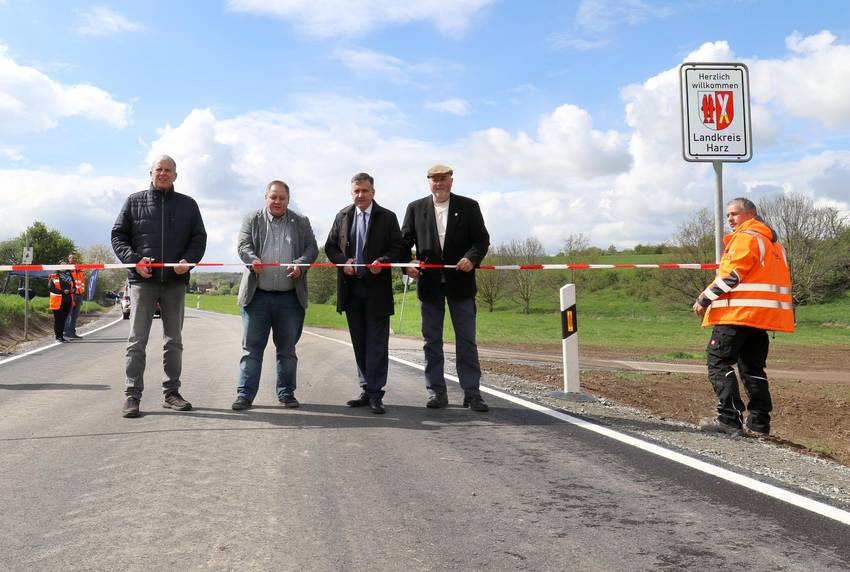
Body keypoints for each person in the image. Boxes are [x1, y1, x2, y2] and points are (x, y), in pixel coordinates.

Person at [111, 155, 207, 418]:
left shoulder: (189, 205)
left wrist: (188, 262)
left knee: (173, 341)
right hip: (143, 282)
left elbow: (199, 239)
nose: (163, 174)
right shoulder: (134, 201)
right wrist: (133, 261)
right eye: (159, 170)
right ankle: (132, 396)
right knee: (136, 341)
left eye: (169, 170)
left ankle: (171, 393)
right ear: (150, 173)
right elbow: (118, 236)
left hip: (175, 283)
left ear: (176, 175)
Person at [693, 197, 794, 436]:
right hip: (762, 318)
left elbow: (732, 275)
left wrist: (704, 299)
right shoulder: (775, 246)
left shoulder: (746, 238)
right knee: (753, 368)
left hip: (737, 314)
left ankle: (729, 419)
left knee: (718, 361)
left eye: (734, 214)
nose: (730, 219)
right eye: (728, 215)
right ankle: (759, 424)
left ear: (750, 214)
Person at [401, 164, 491, 412]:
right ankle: (436, 393)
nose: (439, 184)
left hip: (461, 285)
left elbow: (482, 240)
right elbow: (403, 243)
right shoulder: (415, 208)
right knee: (432, 341)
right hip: (429, 286)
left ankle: (472, 394)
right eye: (434, 179)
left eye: (443, 179)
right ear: (428, 182)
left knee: (466, 341)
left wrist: (471, 258)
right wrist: (407, 264)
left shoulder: (469, 206)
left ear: (451, 180)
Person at [232, 180, 318, 411]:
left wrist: (300, 265)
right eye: (273, 197)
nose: (277, 201)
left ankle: (286, 393)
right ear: (266, 197)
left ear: (288, 199)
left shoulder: (301, 222)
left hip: (290, 299)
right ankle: (245, 395)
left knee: (287, 351)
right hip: (257, 297)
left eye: (282, 198)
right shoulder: (252, 219)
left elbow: (312, 249)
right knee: (251, 350)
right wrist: (253, 260)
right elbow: (243, 246)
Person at [325, 172, 404, 414]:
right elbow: (330, 247)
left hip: (377, 290)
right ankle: (365, 387)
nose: (360, 195)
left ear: (373, 192)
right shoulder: (342, 215)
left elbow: (399, 248)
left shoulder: (387, 217)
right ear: (352, 193)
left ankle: (376, 393)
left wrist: (383, 260)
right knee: (359, 342)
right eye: (356, 191)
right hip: (351, 289)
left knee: (377, 343)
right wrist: (342, 262)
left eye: (365, 191)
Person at [47, 261, 75, 343]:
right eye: (62, 264)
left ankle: (61, 336)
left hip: (68, 301)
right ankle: (58, 337)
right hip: (57, 301)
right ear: (58, 266)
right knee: (58, 320)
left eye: (65, 264)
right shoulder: (54, 275)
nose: (64, 266)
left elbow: (75, 286)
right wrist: (63, 291)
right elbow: (51, 288)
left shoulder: (70, 275)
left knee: (63, 320)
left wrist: (73, 290)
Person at [63, 252, 85, 339]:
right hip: (70, 295)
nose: (74, 259)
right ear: (68, 259)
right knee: (68, 315)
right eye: (72, 258)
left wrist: (82, 292)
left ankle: (72, 333)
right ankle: (66, 333)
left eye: (75, 258)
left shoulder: (80, 268)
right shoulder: (66, 269)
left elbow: (82, 281)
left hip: (79, 295)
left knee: (75, 316)